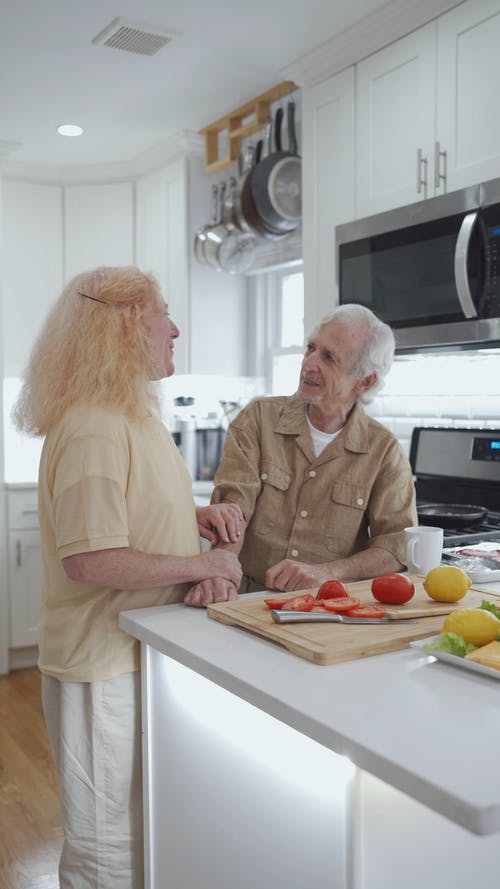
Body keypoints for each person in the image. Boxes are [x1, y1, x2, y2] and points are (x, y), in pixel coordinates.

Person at [13, 265, 243, 889]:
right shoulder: (94, 425)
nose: (175, 328)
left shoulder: (128, 415)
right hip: (101, 668)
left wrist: (193, 517)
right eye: (161, 315)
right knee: (106, 851)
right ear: (122, 327)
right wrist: (203, 563)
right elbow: (90, 560)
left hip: (132, 655)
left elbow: (125, 516)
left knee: (138, 836)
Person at [185, 303, 417, 603]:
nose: (309, 364)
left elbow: (395, 546)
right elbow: (233, 510)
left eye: (329, 357)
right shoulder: (258, 419)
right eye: (311, 348)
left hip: (328, 608)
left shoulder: (383, 450)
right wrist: (219, 573)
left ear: (365, 380)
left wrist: (328, 572)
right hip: (245, 598)